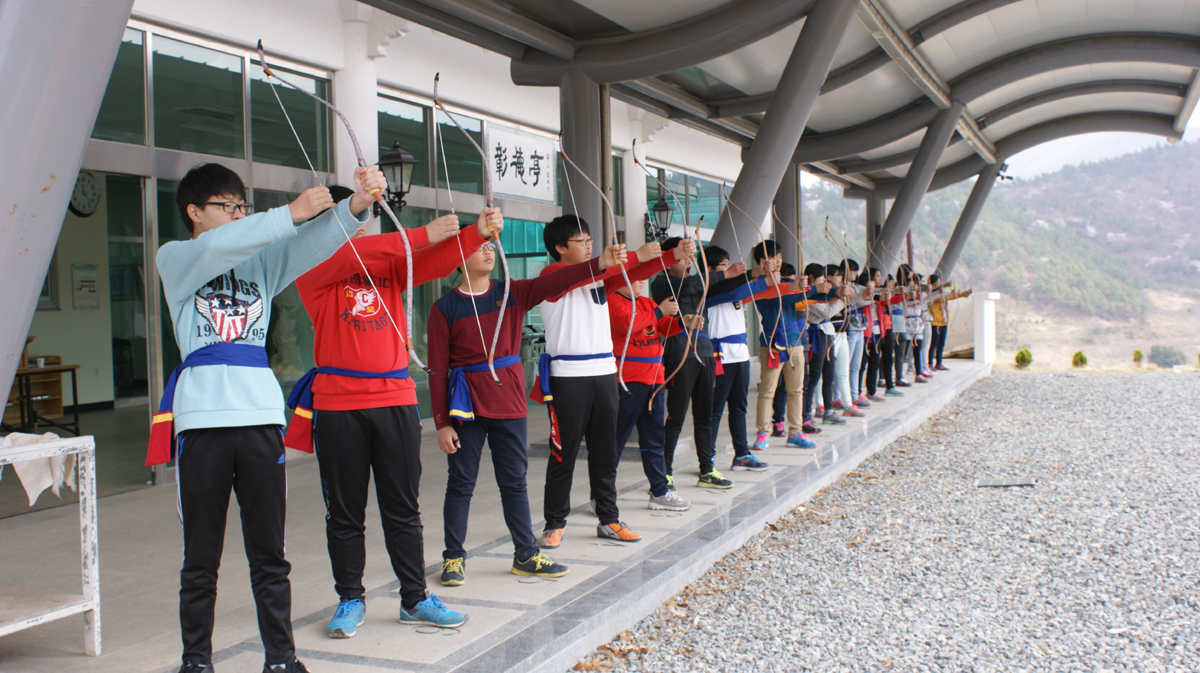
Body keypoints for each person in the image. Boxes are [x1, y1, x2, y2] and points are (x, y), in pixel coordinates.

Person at [149, 162, 383, 673]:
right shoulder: (176, 257)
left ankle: (281, 659)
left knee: (269, 554)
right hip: (202, 424)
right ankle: (196, 662)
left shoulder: (262, 261)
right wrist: (287, 213)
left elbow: (312, 244)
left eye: (242, 206)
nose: (238, 215)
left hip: (258, 419)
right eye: (228, 206)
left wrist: (357, 205)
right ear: (194, 212)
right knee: (201, 558)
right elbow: (218, 249)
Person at [286, 201, 503, 636]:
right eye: (345, 221)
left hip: (395, 399)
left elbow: (436, 261)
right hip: (338, 405)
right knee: (344, 513)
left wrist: (475, 234)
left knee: (403, 508)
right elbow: (355, 254)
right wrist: (421, 234)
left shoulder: (389, 264)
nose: (356, 229)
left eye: (360, 220)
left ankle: (415, 598)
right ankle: (350, 598)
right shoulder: (312, 266)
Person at [429, 231, 628, 586]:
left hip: (508, 402)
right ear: (458, 260)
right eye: (478, 247)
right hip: (465, 407)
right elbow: (437, 369)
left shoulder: (513, 292)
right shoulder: (444, 308)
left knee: (514, 483)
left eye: (490, 245)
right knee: (460, 483)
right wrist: (442, 422)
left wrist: (599, 263)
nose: (488, 251)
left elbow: (560, 279)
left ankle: (525, 554)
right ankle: (453, 558)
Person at [534, 215, 691, 549]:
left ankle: (609, 518)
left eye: (589, 239)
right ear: (559, 247)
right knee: (563, 453)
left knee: (605, 452)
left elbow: (633, 273)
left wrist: (672, 255)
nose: (588, 245)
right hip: (568, 377)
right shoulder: (551, 276)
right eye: (580, 240)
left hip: (605, 374)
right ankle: (554, 523)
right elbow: (589, 273)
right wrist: (631, 256)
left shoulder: (599, 279)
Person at [650, 238, 746, 490]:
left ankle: (706, 470)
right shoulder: (662, 283)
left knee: (704, 417)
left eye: (690, 257)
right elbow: (691, 285)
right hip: (680, 352)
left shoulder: (698, 283)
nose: (689, 262)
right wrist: (725, 273)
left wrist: (754, 274)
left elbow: (727, 288)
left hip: (704, 351)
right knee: (676, 416)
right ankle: (664, 472)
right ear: (668, 262)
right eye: (683, 258)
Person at [608, 277, 691, 511]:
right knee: (615, 440)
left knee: (654, 439)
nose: (641, 281)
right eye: (635, 276)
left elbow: (662, 327)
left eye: (642, 276)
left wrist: (682, 322)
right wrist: (659, 310)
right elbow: (628, 324)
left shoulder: (646, 302)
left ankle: (659, 491)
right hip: (627, 381)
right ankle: (601, 496)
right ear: (621, 278)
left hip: (654, 380)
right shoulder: (612, 300)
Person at [704, 245, 772, 472]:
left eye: (729, 264)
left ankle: (741, 454)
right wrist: (759, 276)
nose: (730, 269)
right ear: (710, 269)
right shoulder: (708, 289)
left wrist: (763, 276)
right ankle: (707, 459)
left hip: (740, 355)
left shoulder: (735, 288)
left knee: (739, 407)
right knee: (715, 410)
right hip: (720, 356)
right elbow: (734, 293)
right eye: (724, 266)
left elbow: (740, 291)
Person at [748, 245, 815, 452]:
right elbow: (782, 297)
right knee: (767, 390)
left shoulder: (787, 282)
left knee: (796, 390)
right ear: (760, 262)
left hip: (794, 341)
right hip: (772, 343)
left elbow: (798, 296)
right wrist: (797, 287)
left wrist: (804, 286)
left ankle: (795, 432)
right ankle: (763, 432)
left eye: (778, 256)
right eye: (770, 257)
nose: (776, 261)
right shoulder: (758, 285)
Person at [927, 274, 972, 370]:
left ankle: (939, 363)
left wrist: (965, 293)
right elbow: (944, 297)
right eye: (939, 281)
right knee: (934, 343)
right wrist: (953, 293)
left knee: (941, 343)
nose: (940, 282)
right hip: (936, 321)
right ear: (934, 283)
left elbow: (949, 296)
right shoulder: (931, 294)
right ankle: (930, 363)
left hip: (944, 321)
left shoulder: (940, 292)